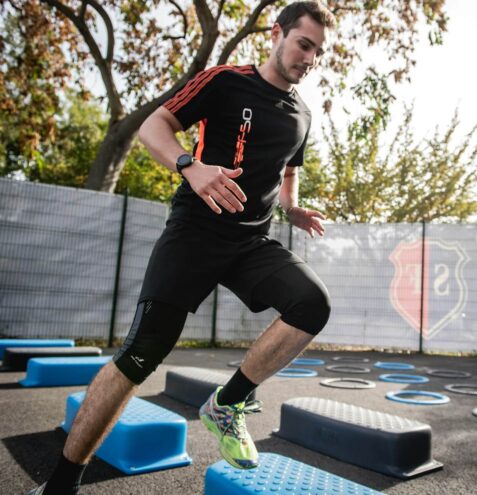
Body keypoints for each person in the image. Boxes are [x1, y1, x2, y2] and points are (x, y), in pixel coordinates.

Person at [28, 3, 336, 494]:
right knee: (139, 357)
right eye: (304, 43)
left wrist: (291, 208)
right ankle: (60, 484)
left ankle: (227, 403)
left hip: (251, 240)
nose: (311, 57)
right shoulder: (224, 81)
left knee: (312, 304)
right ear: (277, 34)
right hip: (195, 231)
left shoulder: (302, 114)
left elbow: (288, 171)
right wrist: (190, 166)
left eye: (319, 50)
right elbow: (156, 125)